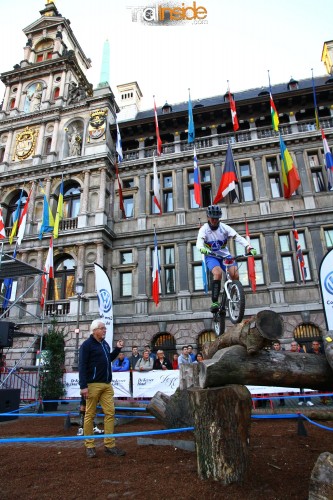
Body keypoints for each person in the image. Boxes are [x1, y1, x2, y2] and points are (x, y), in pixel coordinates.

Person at [79, 319, 126, 458]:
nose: (105, 330)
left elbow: (108, 359)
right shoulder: (86, 345)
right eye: (102, 328)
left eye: (105, 328)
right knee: (90, 415)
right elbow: (82, 366)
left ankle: (110, 445)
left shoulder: (105, 344)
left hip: (106, 384)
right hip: (92, 385)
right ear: (94, 330)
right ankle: (89, 445)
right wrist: (83, 386)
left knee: (110, 413)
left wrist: (117, 349)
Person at [196, 204, 256, 312]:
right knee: (217, 273)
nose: (214, 220)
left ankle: (234, 295)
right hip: (211, 256)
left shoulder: (224, 228)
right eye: (212, 218)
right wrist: (202, 248)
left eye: (216, 218)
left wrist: (248, 246)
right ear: (208, 217)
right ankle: (214, 302)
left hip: (225, 256)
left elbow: (237, 237)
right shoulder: (204, 229)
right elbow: (199, 242)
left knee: (234, 274)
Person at [290, 341, 313, 407]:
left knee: (306, 386)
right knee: (298, 387)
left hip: (303, 371)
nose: (293, 346)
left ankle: (308, 400)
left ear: (297, 346)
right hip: (295, 371)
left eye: (294, 345)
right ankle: (301, 400)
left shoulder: (302, 352)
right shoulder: (289, 352)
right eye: (292, 345)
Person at [272, 341, 285, 407]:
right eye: (275, 345)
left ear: (279, 345)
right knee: (279, 388)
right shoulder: (272, 352)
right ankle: (281, 401)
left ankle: (282, 401)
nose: (276, 346)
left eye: (277, 345)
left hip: (283, 370)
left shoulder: (284, 351)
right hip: (275, 371)